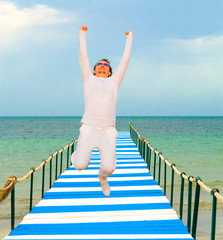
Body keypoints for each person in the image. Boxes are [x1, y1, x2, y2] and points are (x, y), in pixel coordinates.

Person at [71, 25, 133, 196]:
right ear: (93, 69)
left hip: (107, 130)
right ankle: (77, 153)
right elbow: (83, 57)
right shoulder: (88, 79)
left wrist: (129, 38)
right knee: (80, 165)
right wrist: (82, 34)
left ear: (110, 72)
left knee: (109, 167)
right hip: (89, 127)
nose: (102, 66)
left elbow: (125, 61)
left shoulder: (114, 82)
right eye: (99, 64)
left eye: (105, 66)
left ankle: (103, 178)